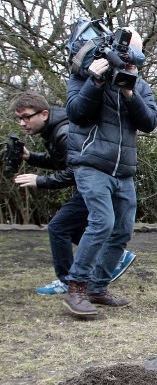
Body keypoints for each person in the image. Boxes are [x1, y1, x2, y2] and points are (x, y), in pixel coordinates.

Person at [63, 27, 157, 316]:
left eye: (136, 59)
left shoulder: (138, 85)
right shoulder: (83, 76)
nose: (131, 62)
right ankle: (75, 288)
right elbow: (76, 113)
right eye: (128, 56)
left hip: (124, 170)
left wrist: (129, 93)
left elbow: (150, 122)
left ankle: (97, 287)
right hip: (91, 163)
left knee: (122, 230)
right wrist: (96, 80)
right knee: (102, 222)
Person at [11, 92, 137, 296]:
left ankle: (67, 281)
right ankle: (114, 255)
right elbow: (61, 160)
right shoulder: (55, 128)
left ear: (43, 114)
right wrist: (30, 157)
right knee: (69, 227)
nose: (22, 123)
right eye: (19, 118)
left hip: (95, 184)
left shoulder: (64, 132)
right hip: (94, 184)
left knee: (59, 227)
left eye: (26, 116)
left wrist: (41, 181)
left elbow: (73, 171)